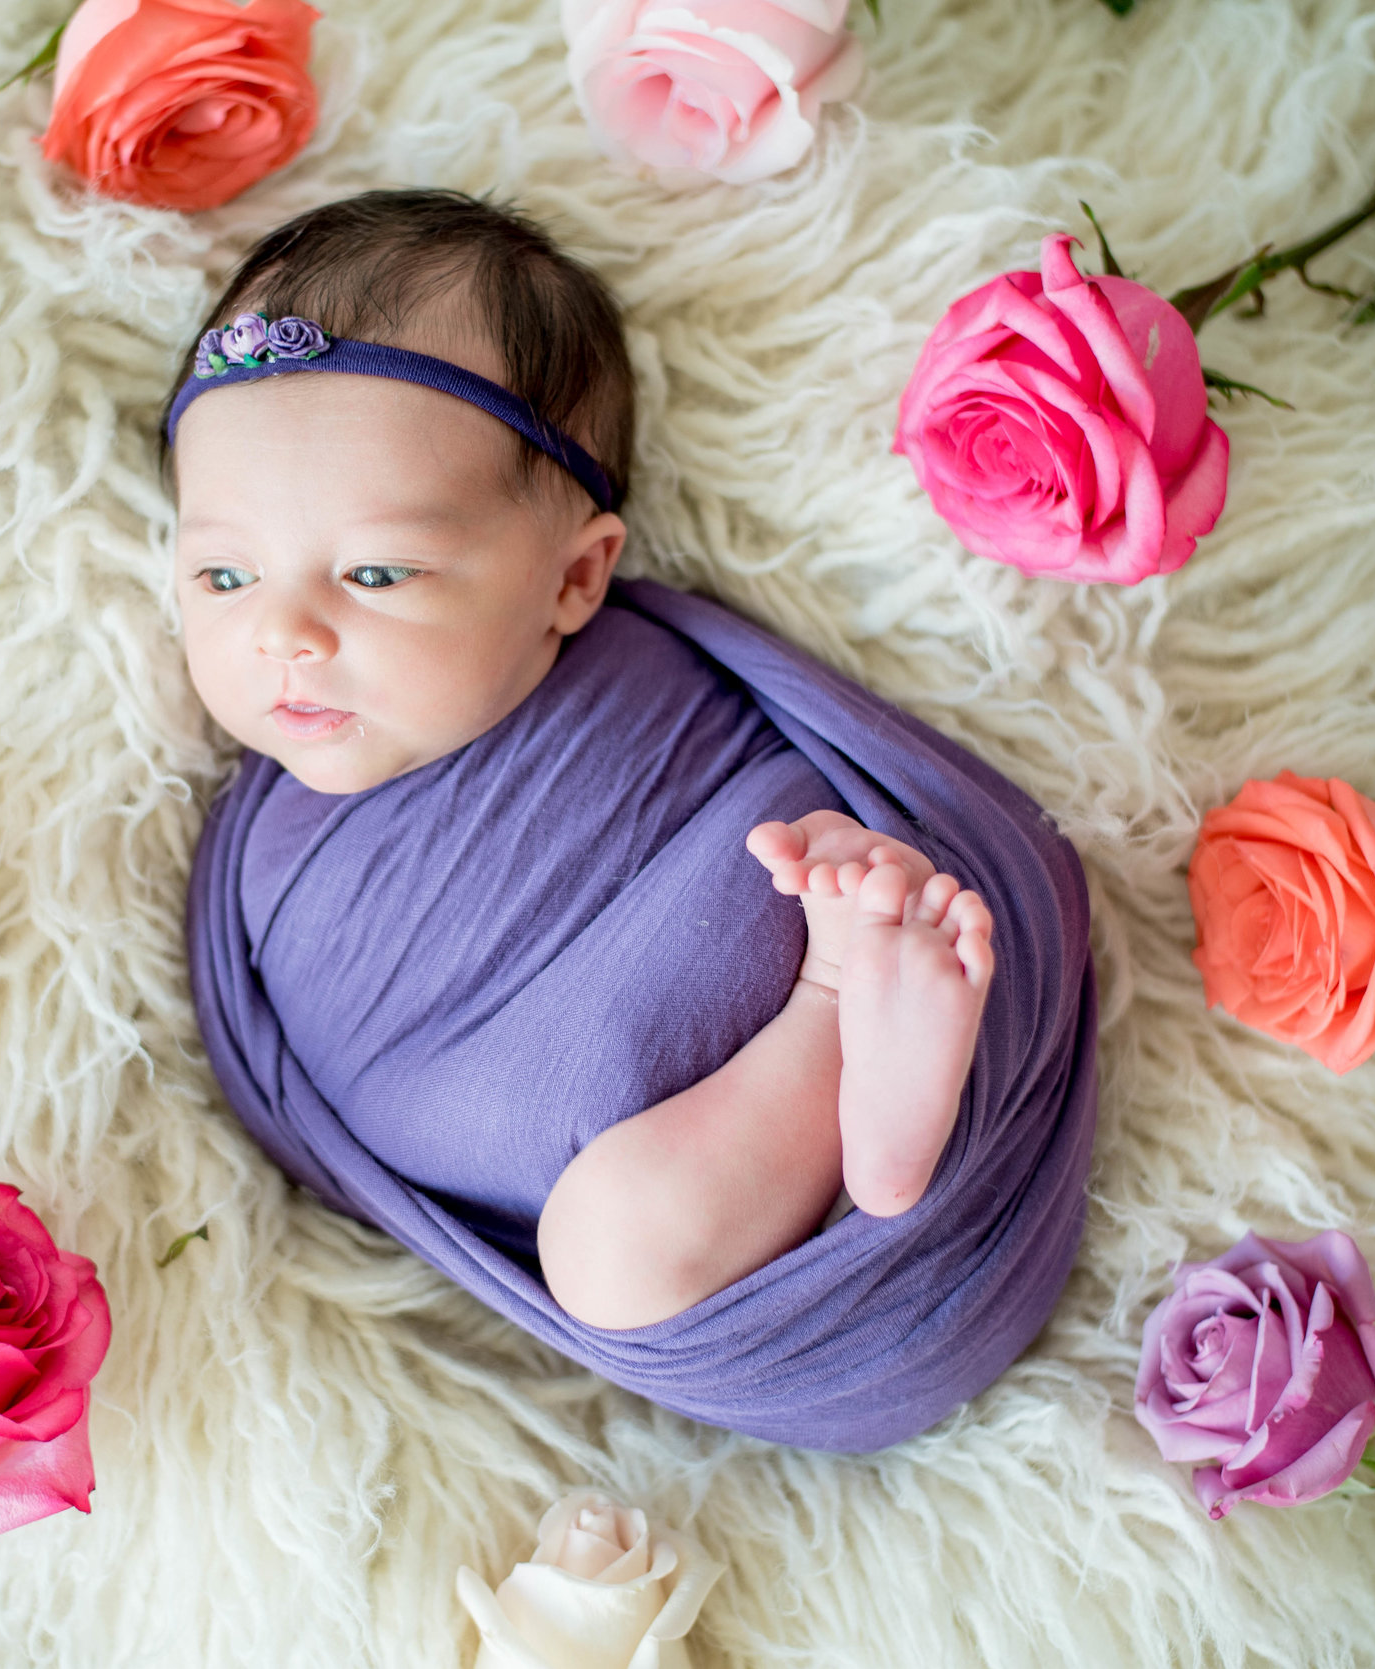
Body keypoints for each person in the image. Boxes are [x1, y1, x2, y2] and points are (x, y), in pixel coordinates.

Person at [175, 190, 1096, 1450]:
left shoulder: (638, 663)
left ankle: (847, 1010)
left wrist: (854, 878)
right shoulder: (247, 851)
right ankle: (854, 1077)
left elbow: (805, 763)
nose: (281, 631)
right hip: (697, 1207)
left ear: (575, 577)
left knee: (618, 1238)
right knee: (610, 1254)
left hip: (784, 909)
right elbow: (300, 1115)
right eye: (222, 575)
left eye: (375, 572)